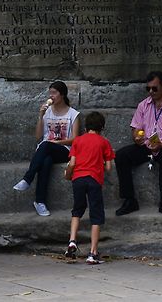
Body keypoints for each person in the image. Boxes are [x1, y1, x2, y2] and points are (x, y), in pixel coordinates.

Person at [115, 71, 162, 217]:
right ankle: (129, 200)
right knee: (121, 155)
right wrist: (137, 137)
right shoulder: (143, 105)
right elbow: (136, 128)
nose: (151, 92)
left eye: (154, 88)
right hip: (148, 144)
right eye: (148, 88)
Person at [13, 81, 80, 216]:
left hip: (64, 150)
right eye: (50, 93)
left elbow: (75, 140)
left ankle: (28, 178)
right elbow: (38, 137)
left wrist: (58, 142)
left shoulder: (73, 114)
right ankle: (40, 202)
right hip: (45, 150)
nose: (51, 96)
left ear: (62, 95)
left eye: (54, 93)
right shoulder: (47, 112)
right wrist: (41, 115)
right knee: (46, 161)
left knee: (46, 144)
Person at [63, 111, 114, 264]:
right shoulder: (104, 142)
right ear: (102, 128)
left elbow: (72, 163)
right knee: (96, 215)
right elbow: (109, 168)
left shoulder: (78, 141)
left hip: (78, 179)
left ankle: (72, 241)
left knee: (77, 210)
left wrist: (68, 174)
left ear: (86, 127)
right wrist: (99, 164)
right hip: (94, 180)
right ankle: (93, 253)